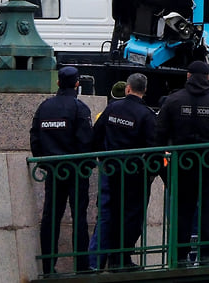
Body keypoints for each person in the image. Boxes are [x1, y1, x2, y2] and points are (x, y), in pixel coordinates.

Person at [156, 60, 209, 266]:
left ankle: (181, 256)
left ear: (188, 76)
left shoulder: (173, 100)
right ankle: (206, 254)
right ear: (208, 77)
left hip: (182, 164)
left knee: (183, 210)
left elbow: (158, 135)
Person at [30, 65, 94, 274]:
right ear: (77, 84)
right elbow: (86, 142)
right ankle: (82, 266)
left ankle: (48, 266)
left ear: (58, 83)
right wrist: (86, 165)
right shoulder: (80, 108)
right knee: (79, 219)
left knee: (50, 218)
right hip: (76, 172)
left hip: (54, 172)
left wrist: (44, 163)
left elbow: (35, 138)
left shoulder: (44, 107)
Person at [92, 73, 157, 271]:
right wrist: (151, 173)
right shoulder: (146, 115)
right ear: (144, 91)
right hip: (134, 174)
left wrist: (102, 159)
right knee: (132, 216)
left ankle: (108, 259)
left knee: (111, 214)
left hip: (111, 171)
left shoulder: (113, 108)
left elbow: (96, 135)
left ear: (128, 88)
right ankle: (122, 258)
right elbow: (154, 146)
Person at [89, 81, 129, 270]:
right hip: (129, 172)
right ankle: (117, 260)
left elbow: (95, 138)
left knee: (105, 217)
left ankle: (95, 263)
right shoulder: (135, 113)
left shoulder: (104, 113)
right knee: (125, 217)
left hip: (108, 169)